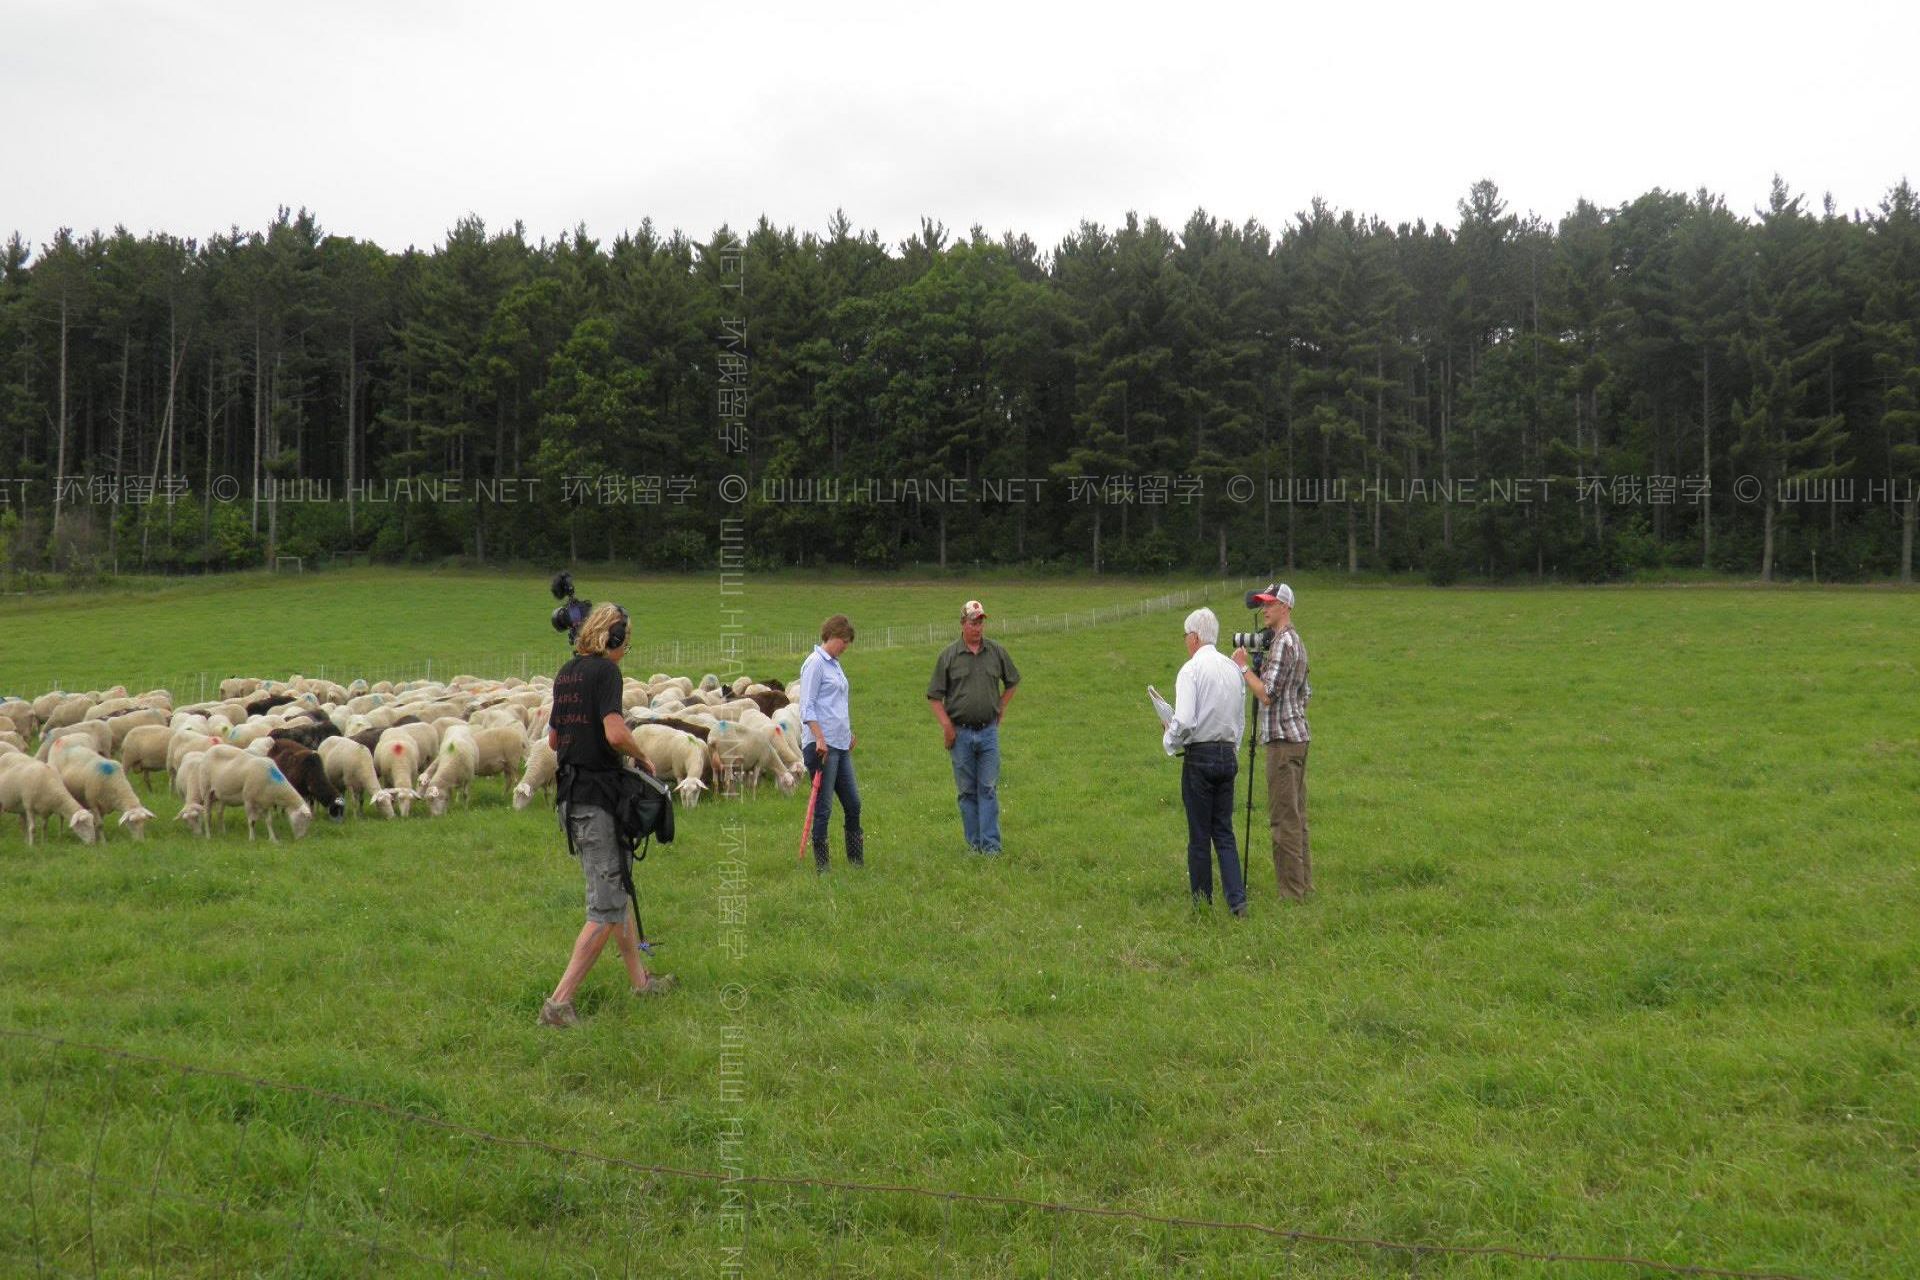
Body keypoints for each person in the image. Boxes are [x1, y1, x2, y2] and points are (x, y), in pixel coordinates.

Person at [540, 602, 674, 1028]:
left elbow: (554, 740)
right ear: (612, 638)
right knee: (604, 907)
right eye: (625, 642)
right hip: (596, 801)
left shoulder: (566, 672)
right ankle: (559, 1005)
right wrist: (644, 756)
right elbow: (616, 732)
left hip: (571, 798)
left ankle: (640, 982)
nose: (624, 650)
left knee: (615, 892)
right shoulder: (606, 673)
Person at [1162, 607, 1248, 915]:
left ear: (1195, 637)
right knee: (1224, 831)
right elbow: (1239, 719)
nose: (1186, 642)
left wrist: (1169, 740)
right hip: (1227, 753)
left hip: (1200, 757)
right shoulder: (1231, 667)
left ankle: (1202, 903)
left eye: (1186, 636)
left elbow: (1184, 719)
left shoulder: (1191, 670)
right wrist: (1232, 750)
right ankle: (1237, 900)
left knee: (1199, 835)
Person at [1232, 583, 1312, 900]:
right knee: (1297, 817)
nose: (1264, 609)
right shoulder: (1297, 642)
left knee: (1283, 820)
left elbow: (1267, 694)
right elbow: (1306, 694)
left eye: (1270, 604)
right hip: (1298, 737)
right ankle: (1304, 884)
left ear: (1285, 607)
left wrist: (1242, 667)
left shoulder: (1282, 643)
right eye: (1263, 604)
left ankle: (1292, 892)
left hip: (1281, 742)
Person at [926, 598, 1019, 855]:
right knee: (967, 792)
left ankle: (991, 847)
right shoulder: (949, 656)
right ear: (962, 624)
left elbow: (1012, 681)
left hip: (988, 732)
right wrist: (947, 727)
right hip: (961, 734)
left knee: (987, 788)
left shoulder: (997, 652)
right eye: (972, 622)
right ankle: (974, 845)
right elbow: (934, 696)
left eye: (980, 623)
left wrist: (1001, 707)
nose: (977, 628)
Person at [796, 614, 863, 872]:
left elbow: (835, 705)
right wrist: (820, 737)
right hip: (821, 748)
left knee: (853, 803)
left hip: (840, 745)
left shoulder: (835, 664)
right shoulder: (815, 664)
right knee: (824, 807)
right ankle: (822, 866)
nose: (846, 646)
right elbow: (807, 706)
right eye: (844, 641)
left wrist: (847, 734)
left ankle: (856, 860)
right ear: (832, 636)